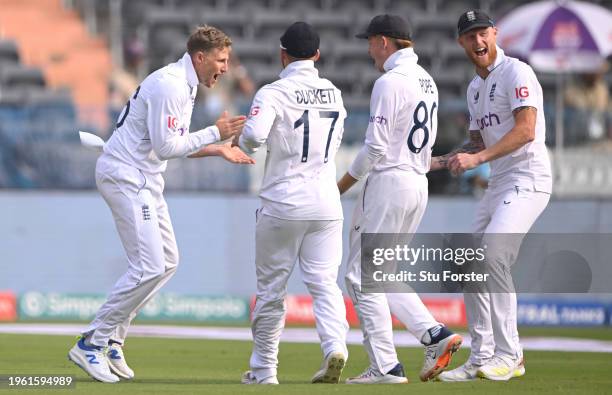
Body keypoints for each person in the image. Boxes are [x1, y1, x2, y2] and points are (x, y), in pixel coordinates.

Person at [67, 25, 254, 383]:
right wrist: (216, 132)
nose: (226, 68)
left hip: (144, 178)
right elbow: (168, 147)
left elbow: (167, 143)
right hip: (126, 176)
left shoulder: (184, 84)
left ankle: (113, 340)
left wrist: (215, 148)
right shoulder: (171, 85)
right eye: (221, 60)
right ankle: (92, 341)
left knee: (167, 261)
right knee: (149, 265)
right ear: (200, 57)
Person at [336, 14, 462, 384]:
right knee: (381, 274)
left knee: (360, 278)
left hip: (390, 182)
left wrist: (341, 185)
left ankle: (386, 366)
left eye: (371, 42)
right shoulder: (427, 80)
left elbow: (375, 146)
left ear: (384, 42)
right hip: (416, 182)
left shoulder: (390, 82)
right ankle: (434, 334)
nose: (370, 50)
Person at [432, 10, 552, 381]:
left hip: (529, 177)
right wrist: (438, 161)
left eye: (483, 33)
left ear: (495, 33)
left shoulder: (517, 72)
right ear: (461, 43)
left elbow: (526, 130)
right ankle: (481, 357)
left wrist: (478, 159)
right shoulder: (474, 88)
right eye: (470, 36)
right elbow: (477, 142)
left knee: (494, 255)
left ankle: (510, 354)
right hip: (501, 181)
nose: (478, 41)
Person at [235, 22, 349, 385]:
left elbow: (253, 136)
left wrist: (249, 146)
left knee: (271, 291)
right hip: (327, 202)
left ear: (283, 54)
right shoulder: (333, 91)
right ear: (316, 55)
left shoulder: (274, 91)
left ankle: (264, 370)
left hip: (284, 201)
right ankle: (335, 346)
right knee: (325, 283)